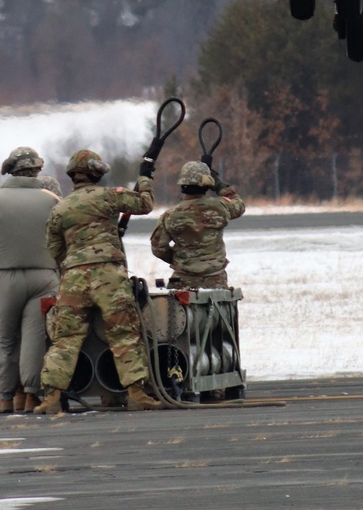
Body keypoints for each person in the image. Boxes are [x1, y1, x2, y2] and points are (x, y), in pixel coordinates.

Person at [34, 148, 161, 415]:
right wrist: (146, 179)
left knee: (65, 339)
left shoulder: (60, 209)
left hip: (73, 278)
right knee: (124, 333)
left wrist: (74, 263)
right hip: (109, 277)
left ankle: (51, 398)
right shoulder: (108, 197)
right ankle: (137, 393)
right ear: (96, 173)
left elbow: (54, 249)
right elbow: (144, 204)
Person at [0, 146, 60, 414]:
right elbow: (64, 242)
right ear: (36, 170)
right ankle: (32, 396)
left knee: (6, 339)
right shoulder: (53, 201)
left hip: (7, 278)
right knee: (35, 337)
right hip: (45, 277)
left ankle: (6, 397)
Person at [150, 160, 246, 289]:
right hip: (215, 278)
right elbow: (239, 205)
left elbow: (158, 248)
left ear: (182, 184)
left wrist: (182, 259)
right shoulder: (221, 207)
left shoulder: (170, 215)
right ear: (207, 184)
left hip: (183, 279)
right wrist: (219, 185)